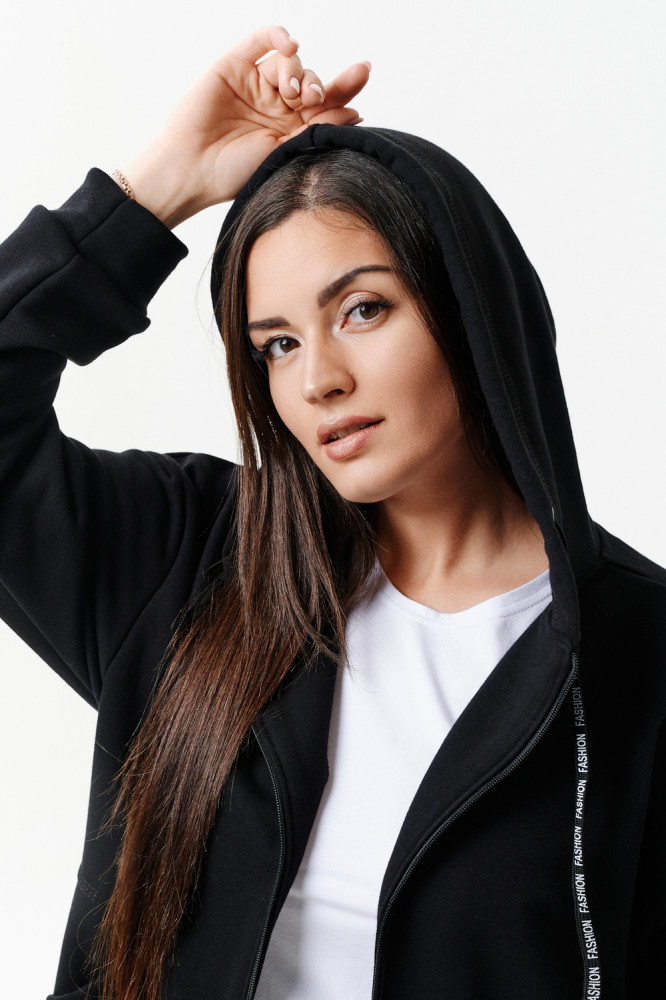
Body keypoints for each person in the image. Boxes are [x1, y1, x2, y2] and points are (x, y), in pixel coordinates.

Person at [0, 23, 663, 1000]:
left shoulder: (639, 656)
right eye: (276, 344)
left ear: (470, 308)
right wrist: (155, 191)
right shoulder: (190, 564)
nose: (318, 380)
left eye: (362, 310)